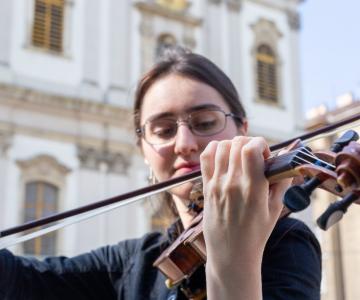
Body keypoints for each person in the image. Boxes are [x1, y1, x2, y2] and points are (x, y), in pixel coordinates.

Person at [0, 47, 321, 300]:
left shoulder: (286, 243)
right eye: (163, 130)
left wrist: (232, 255)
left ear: (243, 130)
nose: (184, 144)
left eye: (206, 122)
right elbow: (20, 281)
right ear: (143, 149)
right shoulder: (137, 262)